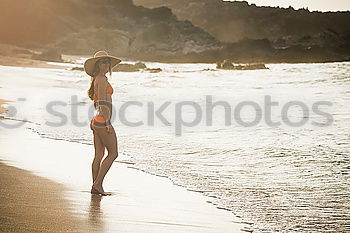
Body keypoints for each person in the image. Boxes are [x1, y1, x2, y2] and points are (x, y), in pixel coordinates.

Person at [84, 50, 121, 196]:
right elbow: (103, 103)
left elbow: (96, 103)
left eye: (107, 62)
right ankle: (98, 184)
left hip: (96, 120)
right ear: (98, 65)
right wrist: (106, 123)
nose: (106, 65)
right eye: (103, 62)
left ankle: (95, 186)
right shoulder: (102, 80)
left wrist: (98, 120)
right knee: (113, 153)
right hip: (102, 121)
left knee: (99, 154)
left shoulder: (96, 80)